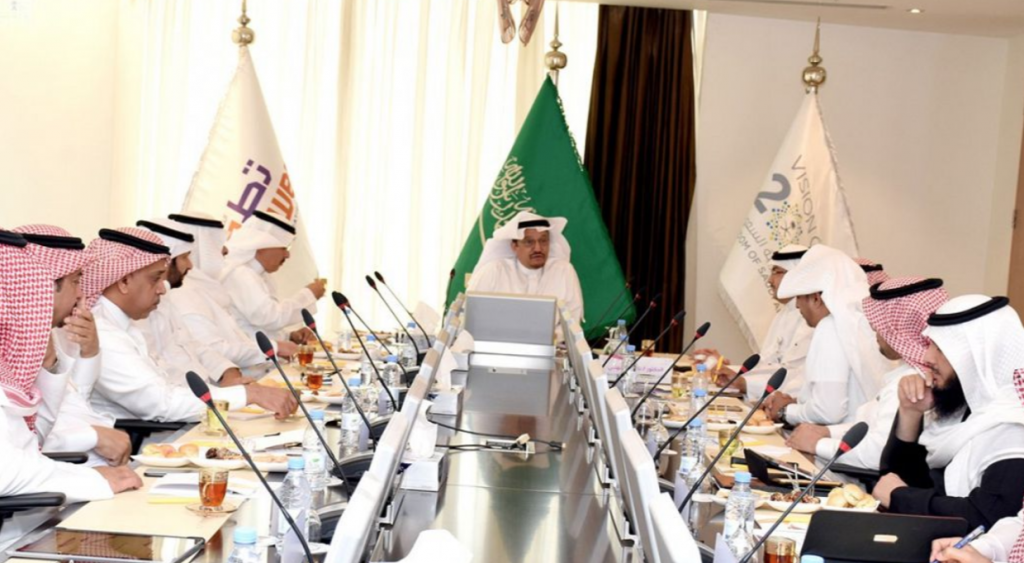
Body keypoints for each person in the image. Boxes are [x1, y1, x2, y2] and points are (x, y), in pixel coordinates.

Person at [0, 227, 140, 552]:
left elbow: (32, 440)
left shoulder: (11, 361)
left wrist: (51, 365)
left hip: (36, 516)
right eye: (76, 282)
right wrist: (95, 480)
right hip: (18, 533)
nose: (82, 295)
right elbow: (5, 470)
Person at [81, 227, 297, 422]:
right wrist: (249, 394)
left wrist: (227, 389)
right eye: (155, 279)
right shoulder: (103, 332)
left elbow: (184, 359)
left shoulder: (125, 321)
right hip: (158, 435)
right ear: (124, 281)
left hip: (186, 415)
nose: (162, 289)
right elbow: (162, 403)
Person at [873, 294, 1024, 529]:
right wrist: (910, 412)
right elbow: (898, 479)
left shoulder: (1014, 426)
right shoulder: (965, 410)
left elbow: (989, 516)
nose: (927, 357)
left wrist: (902, 497)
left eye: (941, 349)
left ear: (977, 356)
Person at [785, 277, 948, 470]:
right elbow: (871, 426)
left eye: (881, 325)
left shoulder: (916, 383)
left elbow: (878, 453)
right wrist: (826, 432)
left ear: (896, 328)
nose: (874, 330)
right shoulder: (905, 372)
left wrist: (817, 444)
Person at [14, 225, 132, 467]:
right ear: (43, 284)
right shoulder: (12, 344)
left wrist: (90, 352)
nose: (81, 294)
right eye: (76, 281)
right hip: (63, 476)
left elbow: (75, 405)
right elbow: (21, 446)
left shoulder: (45, 335)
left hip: (90, 467)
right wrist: (92, 436)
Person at [763, 245, 893, 426]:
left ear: (816, 298)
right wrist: (796, 403)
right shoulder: (860, 321)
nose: (798, 306)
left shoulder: (831, 327)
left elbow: (827, 411)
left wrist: (785, 411)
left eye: (799, 298)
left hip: (835, 438)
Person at [163, 213, 295, 369]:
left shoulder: (205, 287)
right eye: (217, 243)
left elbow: (237, 336)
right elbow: (214, 349)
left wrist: (283, 340)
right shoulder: (184, 293)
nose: (226, 250)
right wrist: (274, 348)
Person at [134, 218, 249, 387]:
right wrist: (225, 394)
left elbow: (190, 345)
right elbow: (158, 380)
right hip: (185, 398)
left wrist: (226, 370)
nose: (190, 265)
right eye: (184, 257)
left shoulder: (165, 298)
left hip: (200, 393)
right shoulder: (135, 310)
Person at [709, 244, 814, 400]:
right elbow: (767, 363)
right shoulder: (784, 314)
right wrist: (724, 368)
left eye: (777, 272)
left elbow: (795, 376)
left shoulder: (812, 320)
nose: (770, 280)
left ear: (796, 275)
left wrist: (745, 382)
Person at [220, 210, 325, 343]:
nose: (287, 255)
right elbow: (269, 317)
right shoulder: (240, 274)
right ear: (261, 245)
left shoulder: (260, 275)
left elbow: (257, 325)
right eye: (283, 248)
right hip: (247, 355)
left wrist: (289, 336)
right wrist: (308, 295)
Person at [467, 211, 584, 323]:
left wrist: (553, 336)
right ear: (514, 246)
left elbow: (572, 321)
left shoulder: (564, 271)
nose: (538, 248)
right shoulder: (494, 271)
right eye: (529, 242)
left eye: (543, 241)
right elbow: (470, 316)